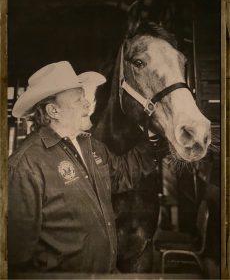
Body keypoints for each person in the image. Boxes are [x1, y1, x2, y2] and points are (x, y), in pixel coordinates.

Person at [8, 61, 161, 274]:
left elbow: (122, 174)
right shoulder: (26, 165)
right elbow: (17, 255)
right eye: (79, 100)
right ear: (54, 111)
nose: (87, 106)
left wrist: (152, 135)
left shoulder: (91, 145)